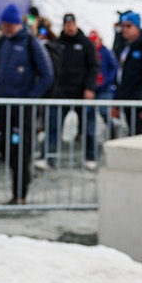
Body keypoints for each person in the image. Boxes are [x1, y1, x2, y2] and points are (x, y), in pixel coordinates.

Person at [0, 5, 53, 205]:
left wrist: (30, 97)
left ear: (17, 24)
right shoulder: (3, 41)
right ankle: (19, 183)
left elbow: (47, 74)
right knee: (4, 145)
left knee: (20, 150)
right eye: (4, 25)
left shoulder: (30, 42)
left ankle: (20, 192)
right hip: (4, 103)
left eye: (9, 25)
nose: (6, 29)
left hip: (21, 107)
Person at [44, 13, 100, 170]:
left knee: (88, 128)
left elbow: (94, 67)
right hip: (61, 93)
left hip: (82, 94)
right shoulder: (57, 43)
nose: (70, 27)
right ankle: (49, 158)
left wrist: (90, 88)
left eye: (72, 24)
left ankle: (91, 157)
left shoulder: (86, 44)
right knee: (53, 127)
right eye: (67, 24)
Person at [113, 11, 142, 136]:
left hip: (140, 101)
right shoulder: (125, 46)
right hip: (127, 99)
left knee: (140, 134)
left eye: (129, 26)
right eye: (123, 26)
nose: (125, 30)